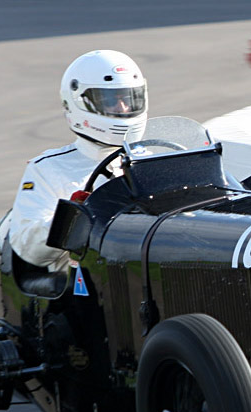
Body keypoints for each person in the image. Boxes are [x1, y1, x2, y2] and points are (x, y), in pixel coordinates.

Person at [8, 50, 147, 272]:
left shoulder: (151, 159)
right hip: (84, 283)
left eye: (128, 99)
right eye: (111, 101)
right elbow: (28, 248)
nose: (123, 109)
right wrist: (72, 218)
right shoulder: (49, 168)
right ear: (77, 102)